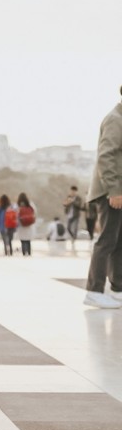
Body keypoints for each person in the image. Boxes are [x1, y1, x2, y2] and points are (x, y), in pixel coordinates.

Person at [85, 88, 122, 308]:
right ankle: (94, 290)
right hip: (110, 192)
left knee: (119, 241)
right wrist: (114, 190)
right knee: (107, 240)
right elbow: (105, 156)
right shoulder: (115, 119)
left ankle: (118, 288)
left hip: (117, 191)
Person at [17, 192, 36, 256]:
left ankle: (24, 253)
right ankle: (29, 252)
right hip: (29, 225)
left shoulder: (18, 205)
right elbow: (34, 213)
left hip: (21, 225)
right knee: (28, 240)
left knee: (23, 240)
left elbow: (16, 215)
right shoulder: (30, 204)